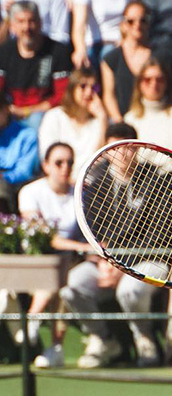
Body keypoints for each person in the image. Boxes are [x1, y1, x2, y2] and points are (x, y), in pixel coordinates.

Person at [58, 121, 168, 368]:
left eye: (128, 147)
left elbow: (161, 234)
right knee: (70, 286)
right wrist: (102, 261)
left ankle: (145, 338)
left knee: (128, 290)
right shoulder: (96, 186)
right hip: (106, 263)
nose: (122, 154)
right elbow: (93, 234)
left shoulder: (157, 181)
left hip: (150, 260)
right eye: (115, 147)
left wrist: (122, 265)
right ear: (106, 150)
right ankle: (103, 339)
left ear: (137, 149)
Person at [18, 143, 88, 367]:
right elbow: (44, 238)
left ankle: (33, 321)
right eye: (58, 162)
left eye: (69, 162)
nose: (65, 167)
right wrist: (83, 248)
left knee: (62, 274)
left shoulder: (81, 193)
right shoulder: (29, 192)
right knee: (56, 267)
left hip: (69, 260)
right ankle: (53, 344)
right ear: (46, 166)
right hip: (33, 259)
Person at [0, 1, 71, 130]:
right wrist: (6, 109)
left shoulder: (57, 51)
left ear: (40, 22)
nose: (27, 27)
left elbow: (62, 95)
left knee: (36, 122)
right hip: (9, 110)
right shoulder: (4, 52)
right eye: (21, 22)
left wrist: (27, 111)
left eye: (31, 21)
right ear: (12, 25)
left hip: (42, 112)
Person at [37, 68, 107, 180]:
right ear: (72, 89)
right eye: (83, 86)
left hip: (88, 186)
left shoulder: (99, 121)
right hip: (59, 181)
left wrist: (102, 118)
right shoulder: (54, 116)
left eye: (94, 88)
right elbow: (47, 155)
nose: (89, 92)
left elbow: (99, 158)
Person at [123, 58, 172, 156]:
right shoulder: (130, 118)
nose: (154, 84)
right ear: (139, 84)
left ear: (166, 83)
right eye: (147, 80)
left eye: (160, 79)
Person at [100, 1, 152, 122]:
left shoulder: (157, 57)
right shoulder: (111, 59)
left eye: (142, 20)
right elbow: (109, 96)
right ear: (123, 24)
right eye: (131, 21)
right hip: (122, 121)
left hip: (149, 119)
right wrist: (120, 123)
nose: (137, 25)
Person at [0, 98, 40, 212]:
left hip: (13, 185)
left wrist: (3, 176)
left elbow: (24, 172)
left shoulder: (27, 134)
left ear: (6, 109)